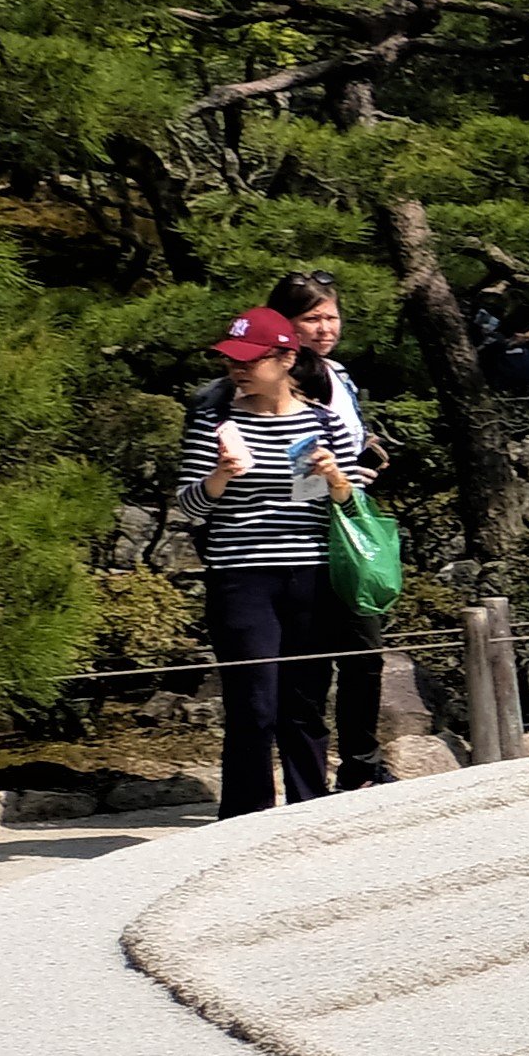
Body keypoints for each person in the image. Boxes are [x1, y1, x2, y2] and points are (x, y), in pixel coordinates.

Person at [180, 272, 400, 784]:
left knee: (303, 704)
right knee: (253, 706)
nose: (236, 368)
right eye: (230, 358)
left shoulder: (320, 421)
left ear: (284, 359)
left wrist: (336, 480)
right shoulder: (213, 419)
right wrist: (221, 474)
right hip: (243, 574)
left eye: (248, 358)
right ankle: (244, 814)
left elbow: (343, 504)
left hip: (312, 570)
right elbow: (191, 508)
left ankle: (308, 812)